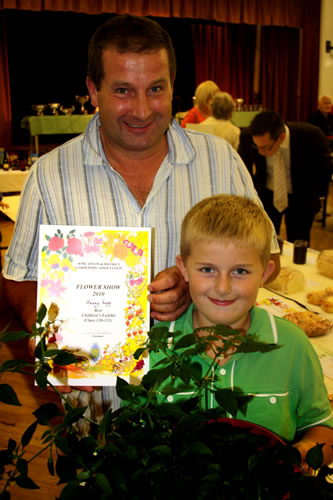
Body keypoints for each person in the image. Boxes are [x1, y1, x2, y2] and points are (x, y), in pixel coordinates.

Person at [2, 15, 280, 430]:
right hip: (94, 412)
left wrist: (200, 281)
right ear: (93, 89)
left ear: (172, 86)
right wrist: (45, 333)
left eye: (156, 89)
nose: (142, 110)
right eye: (122, 91)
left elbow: (269, 260)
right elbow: (20, 277)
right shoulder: (51, 173)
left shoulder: (220, 161)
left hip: (205, 414)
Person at [150, 194, 333, 468]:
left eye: (240, 271)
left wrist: (305, 452)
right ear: (184, 270)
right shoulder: (156, 346)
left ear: (265, 273)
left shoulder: (292, 344)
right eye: (208, 269)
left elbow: (321, 427)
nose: (223, 287)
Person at [238, 110, 331, 244]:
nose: (260, 152)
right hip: (267, 195)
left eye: (265, 148)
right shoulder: (248, 136)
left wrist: (314, 194)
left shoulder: (311, 135)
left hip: (301, 197)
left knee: (298, 241)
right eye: (256, 147)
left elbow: (325, 168)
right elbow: (242, 167)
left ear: (281, 138)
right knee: (265, 240)